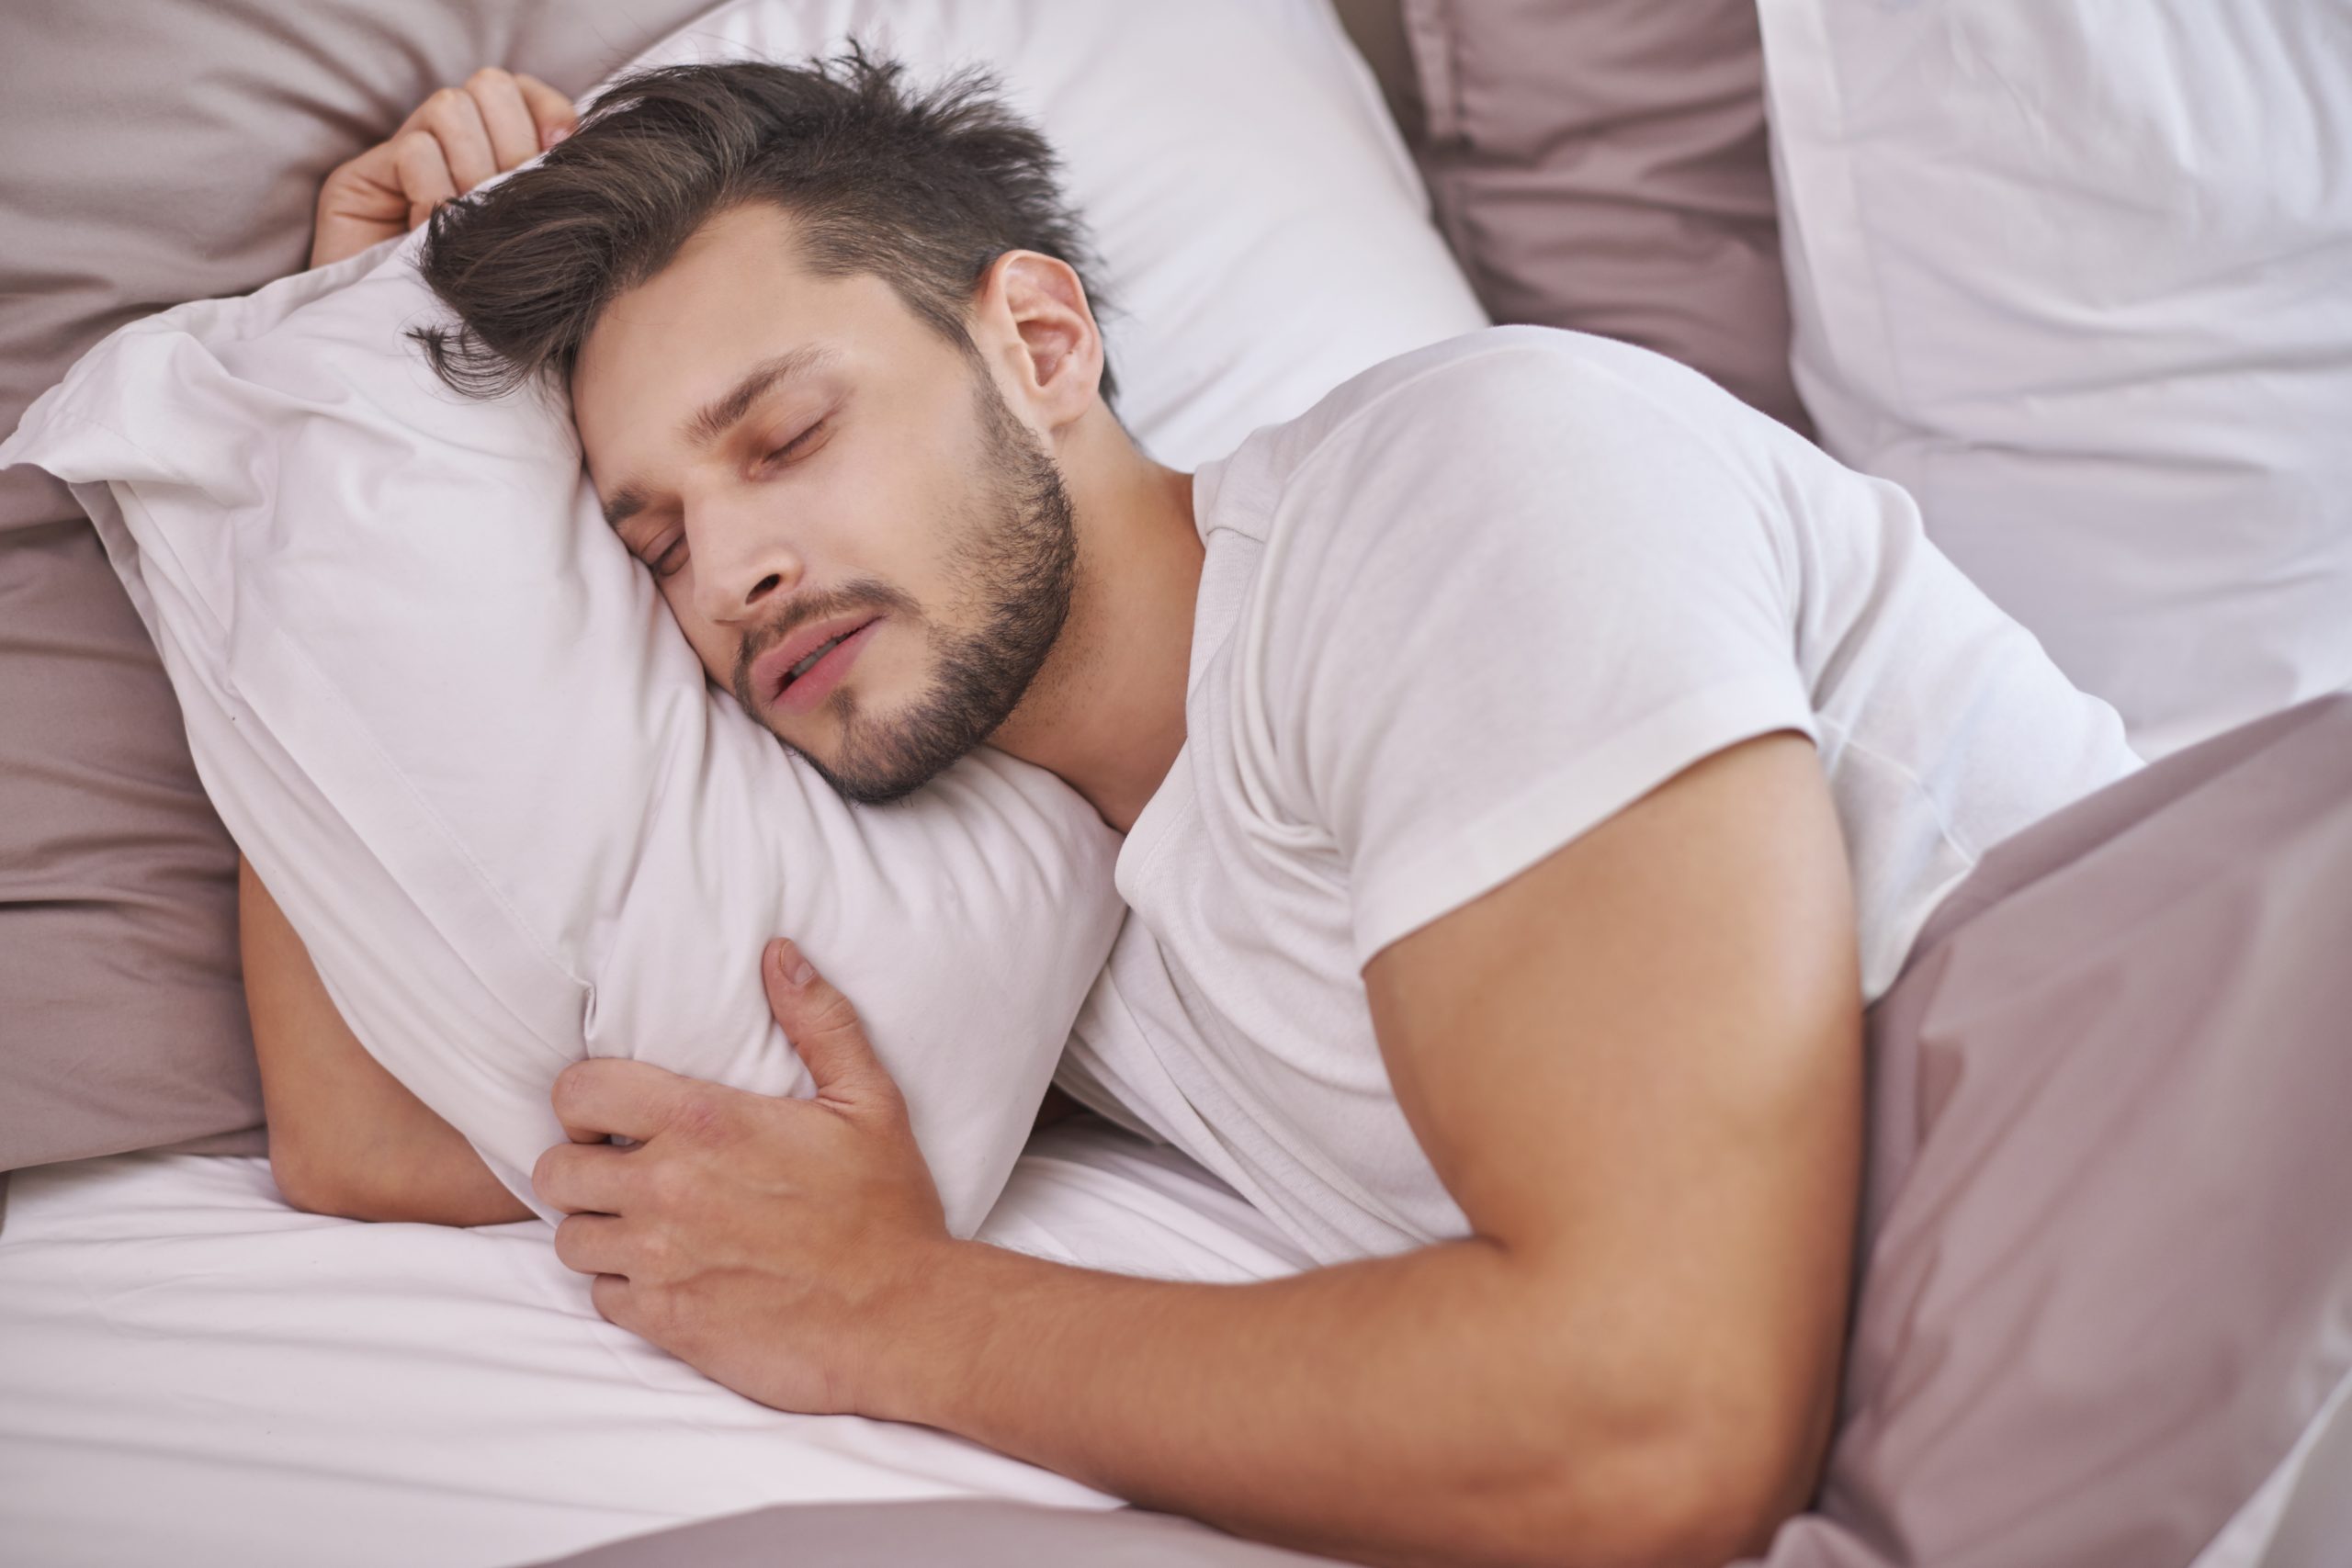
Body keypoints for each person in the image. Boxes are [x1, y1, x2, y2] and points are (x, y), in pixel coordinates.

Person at [250, 53, 2143, 1568]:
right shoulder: (996, 869)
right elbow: (367, 1133)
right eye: (652, 540)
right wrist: (340, 353)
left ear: (1041, 343)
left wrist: (897, 1304)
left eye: (787, 438)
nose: (729, 567)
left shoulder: (1468, 488)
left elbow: (1650, 1426)